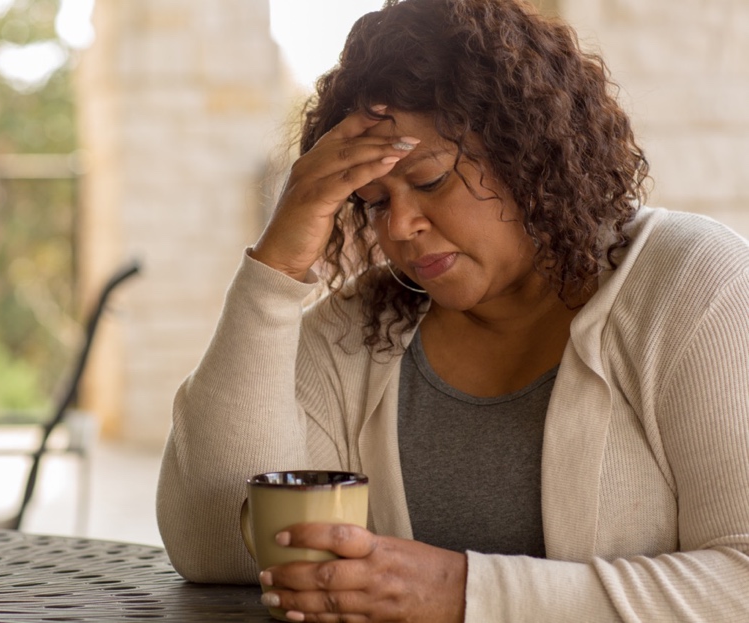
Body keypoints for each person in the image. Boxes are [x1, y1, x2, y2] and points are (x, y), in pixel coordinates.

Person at [156, 0, 749, 620]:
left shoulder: (693, 289)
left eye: (432, 180)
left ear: (528, 153)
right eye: (374, 201)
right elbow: (219, 547)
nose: (402, 227)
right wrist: (275, 271)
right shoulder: (362, 328)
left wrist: (461, 594)